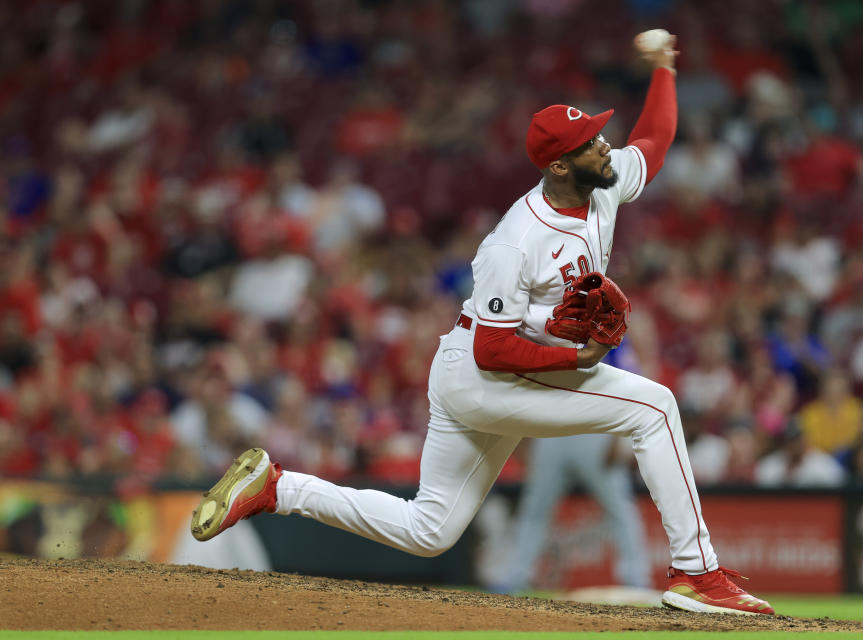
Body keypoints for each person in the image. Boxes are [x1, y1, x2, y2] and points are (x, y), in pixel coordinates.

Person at [190, 31, 774, 616]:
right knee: (655, 408)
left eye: (599, 135)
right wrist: (575, 359)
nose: (606, 146)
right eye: (591, 142)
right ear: (560, 163)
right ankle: (696, 573)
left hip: (489, 373)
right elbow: (494, 349)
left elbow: (655, 140)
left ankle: (278, 487)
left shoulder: (604, 183)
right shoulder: (516, 241)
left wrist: (665, 71)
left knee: (429, 529)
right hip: (486, 373)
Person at [486, 434, 651, 594]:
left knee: (620, 511)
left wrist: (620, 438)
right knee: (533, 511)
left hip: (595, 434)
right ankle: (512, 579)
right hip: (552, 434)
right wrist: (524, 441)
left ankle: (636, 581)